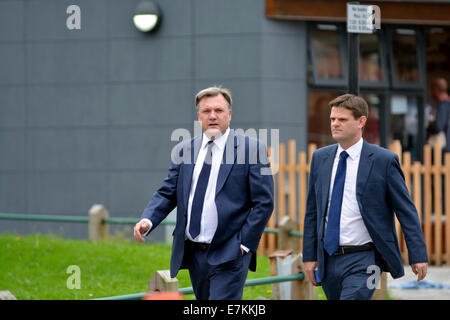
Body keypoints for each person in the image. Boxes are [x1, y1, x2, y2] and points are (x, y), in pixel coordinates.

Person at [133, 86, 274, 300]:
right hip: (194, 252)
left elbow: (264, 202)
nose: (213, 116)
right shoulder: (185, 150)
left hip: (230, 251)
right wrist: (148, 220)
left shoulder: (251, 149)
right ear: (199, 116)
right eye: (206, 111)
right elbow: (167, 192)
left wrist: (244, 244)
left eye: (219, 110)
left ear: (230, 114)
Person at [302, 94, 428, 300]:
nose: (335, 124)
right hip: (328, 259)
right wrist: (309, 257)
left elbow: (406, 211)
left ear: (361, 121)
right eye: (333, 119)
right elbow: (312, 212)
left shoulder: (383, 160)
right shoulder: (320, 158)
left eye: (342, 120)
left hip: (365, 259)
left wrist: (418, 254)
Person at [427, 77, 450, 153]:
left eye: (432, 89)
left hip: (444, 147)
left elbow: (438, 126)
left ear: (436, 90)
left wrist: (428, 127)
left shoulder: (443, 105)